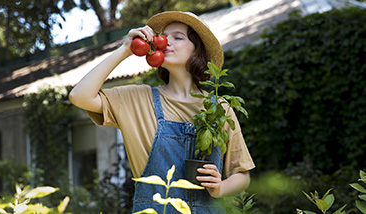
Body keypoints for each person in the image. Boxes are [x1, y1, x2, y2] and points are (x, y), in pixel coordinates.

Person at [69, 11, 255, 214]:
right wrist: (125, 49)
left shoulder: (219, 108)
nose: (165, 42)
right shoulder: (137, 99)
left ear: (197, 51)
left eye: (178, 37)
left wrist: (220, 188)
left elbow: (241, 174)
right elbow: (80, 96)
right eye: (164, 36)